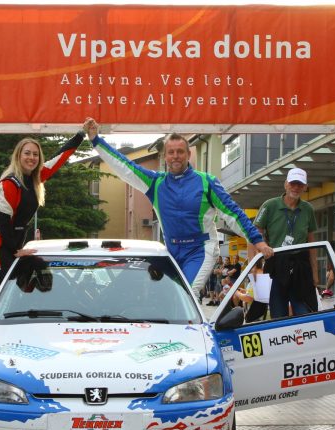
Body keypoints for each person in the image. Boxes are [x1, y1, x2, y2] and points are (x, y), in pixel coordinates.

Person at [82, 118, 273, 297]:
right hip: (172, 250)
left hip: (201, 248)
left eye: (180, 152)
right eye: (171, 152)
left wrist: (257, 241)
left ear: (188, 154)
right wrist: (96, 140)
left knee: (187, 295)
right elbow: (124, 166)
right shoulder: (155, 182)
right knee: (168, 298)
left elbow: (234, 213)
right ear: (165, 156)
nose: (176, 156)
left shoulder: (207, 182)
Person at [0, 131, 84, 289]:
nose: (31, 157)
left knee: (40, 278)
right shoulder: (9, 183)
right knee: (7, 290)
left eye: (35, 154)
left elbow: (60, 156)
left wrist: (81, 134)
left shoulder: (38, 176)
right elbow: (3, 222)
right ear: (18, 156)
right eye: (27, 153)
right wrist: (16, 250)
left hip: (15, 243)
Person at [251, 167, 318, 318]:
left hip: (301, 266)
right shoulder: (270, 205)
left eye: (300, 184)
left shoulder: (308, 209)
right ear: (286, 184)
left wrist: (314, 273)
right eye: (293, 183)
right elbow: (254, 234)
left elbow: (312, 242)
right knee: (278, 314)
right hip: (276, 264)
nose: (296, 187)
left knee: (305, 313)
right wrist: (255, 266)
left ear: (305, 187)